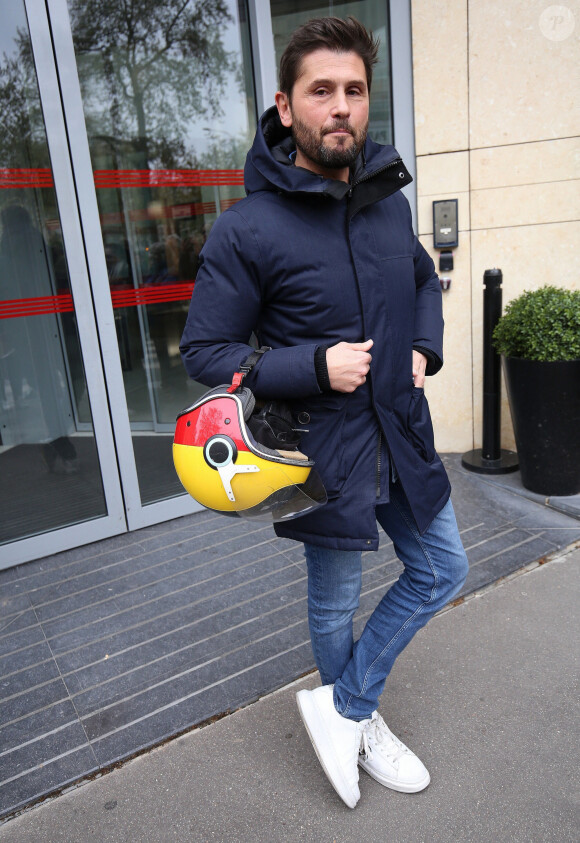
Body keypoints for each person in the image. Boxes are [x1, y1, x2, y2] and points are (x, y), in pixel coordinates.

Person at [180, 16, 469, 809]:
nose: (340, 106)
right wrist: (313, 365)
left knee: (445, 567)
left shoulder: (384, 201)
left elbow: (418, 281)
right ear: (286, 106)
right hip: (323, 451)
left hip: (402, 433)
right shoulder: (248, 229)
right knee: (335, 601)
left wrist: (423, 346)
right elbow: (206, 353)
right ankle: (359, 717)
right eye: (321, 91)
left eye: (354, 91)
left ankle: (346, 707)